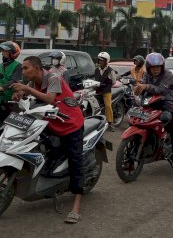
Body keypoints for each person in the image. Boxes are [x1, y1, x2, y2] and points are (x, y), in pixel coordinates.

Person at [11, 56, 85, 224]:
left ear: (36, 68)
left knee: (76, 161)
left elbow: (50, 98)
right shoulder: (34, 82)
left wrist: (26, 90)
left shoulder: (53, 77)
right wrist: (20, 94)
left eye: (25, 68)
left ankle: (76, 205)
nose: (22, 71)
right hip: (51, 122)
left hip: (70, 124)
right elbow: (29, 93)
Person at [133, 53, 173, 182]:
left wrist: (146, 86)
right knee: (137, 123)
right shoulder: (146, 75)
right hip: (151, 105)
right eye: (153, 67)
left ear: (162, 67)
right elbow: (143, 86)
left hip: (168, 107)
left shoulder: (168, 74)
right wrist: (138, 89)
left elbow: (161, 89)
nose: (155, 69)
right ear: (148, 67)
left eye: (158, 67)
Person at [94, 52, 116, 130]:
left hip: (106, 91)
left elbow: (113, 82)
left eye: (102, 60)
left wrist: (106, 85)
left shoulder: (110, 71)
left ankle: (110, 122)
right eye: (99, 60)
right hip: (97, 91)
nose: (100, 62)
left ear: (106, 61)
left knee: (108, 106)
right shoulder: (96, 70)